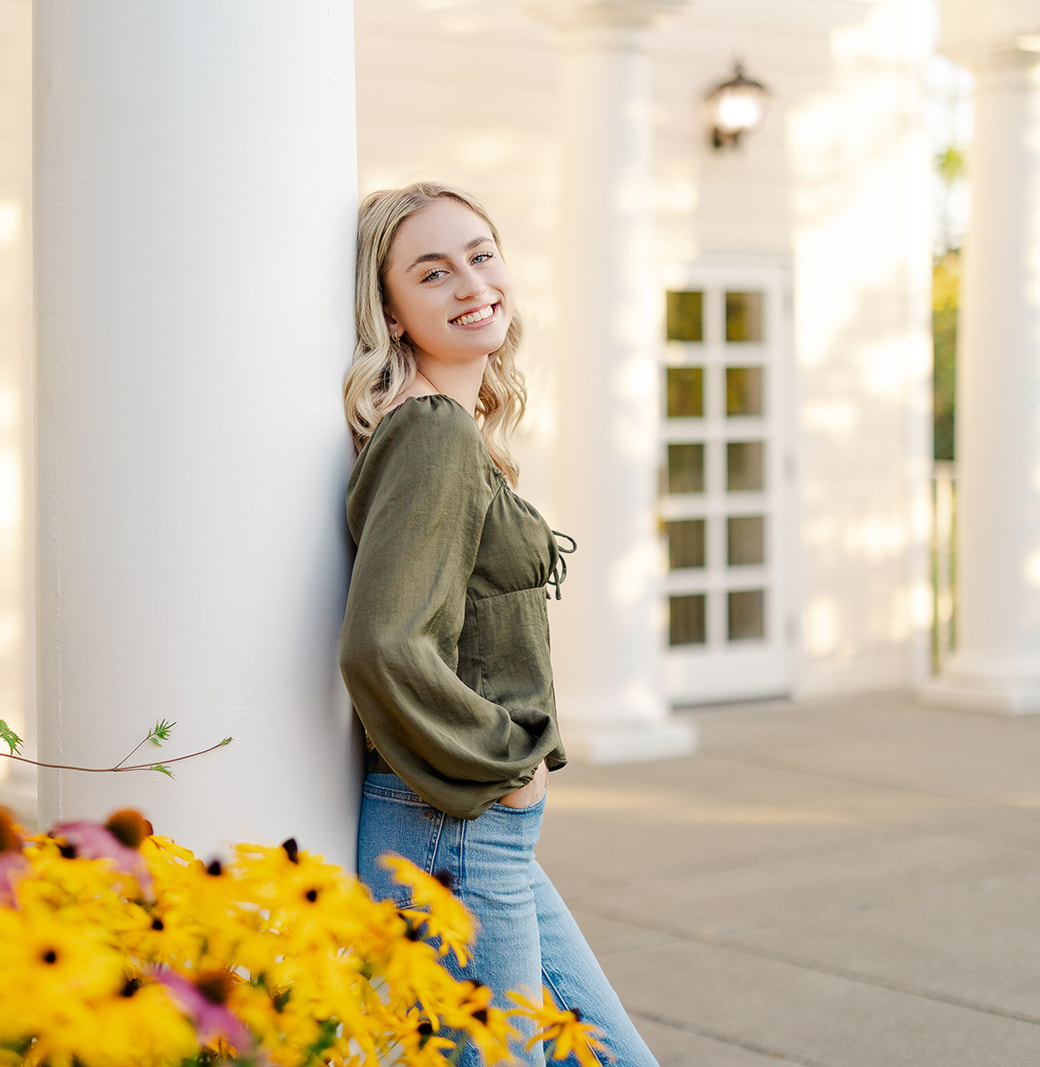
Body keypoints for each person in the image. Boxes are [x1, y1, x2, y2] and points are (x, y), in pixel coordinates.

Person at [339, 182, 657, 1067]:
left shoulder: (449, 428)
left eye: (481, 254)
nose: (471, 282)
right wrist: (506, 763)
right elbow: (384, 643)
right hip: (454, 823)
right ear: (393, 313)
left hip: (477, 830)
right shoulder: (432, 430)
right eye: (432, 272)